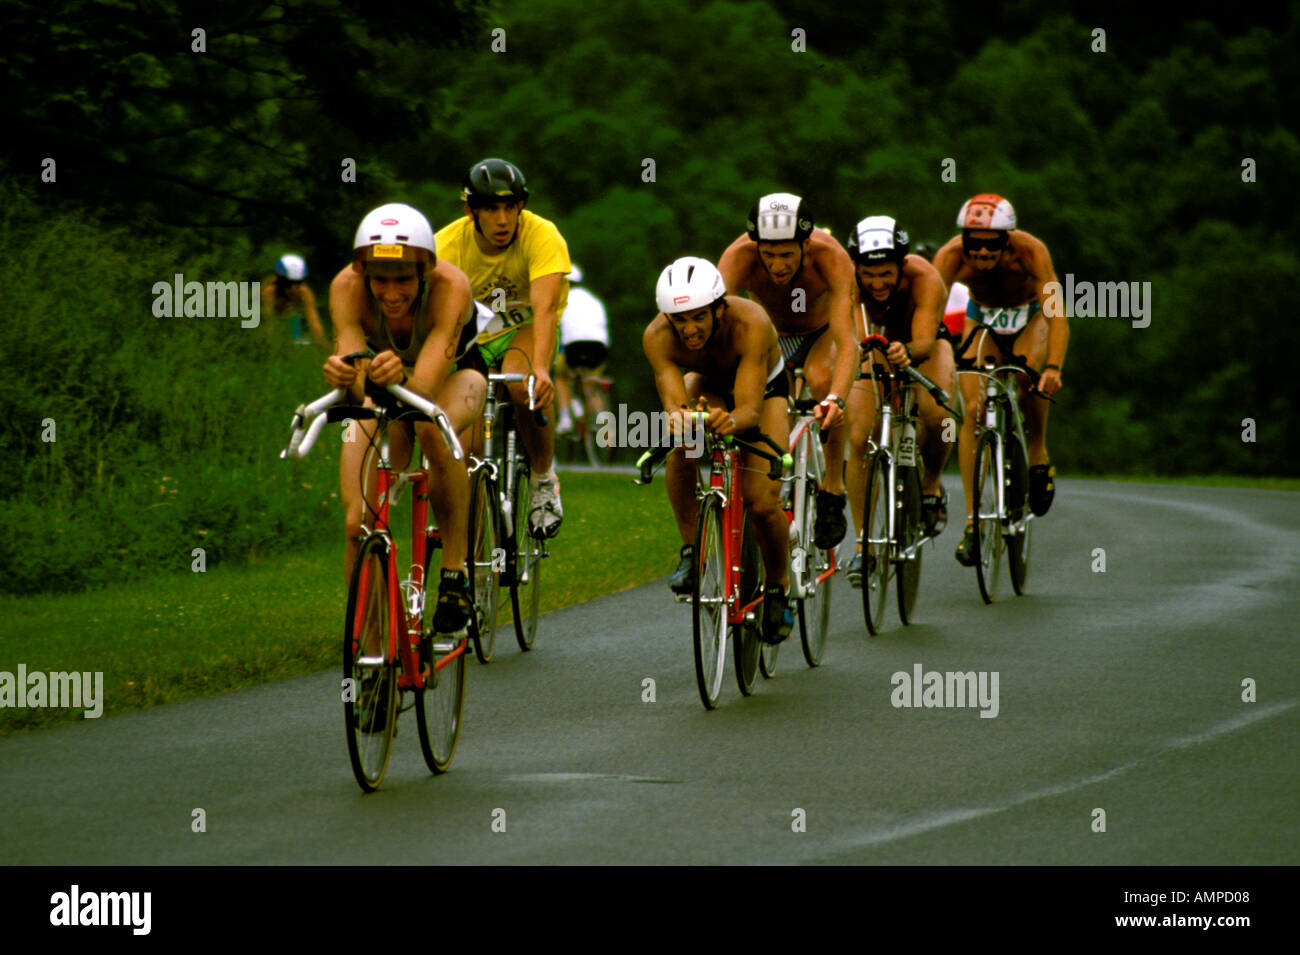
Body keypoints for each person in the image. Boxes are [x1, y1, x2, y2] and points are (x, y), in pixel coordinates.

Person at [323, 203, 487, 632]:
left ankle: (455, 571)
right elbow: (357, 388)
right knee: (356, 521)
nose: (391, 293)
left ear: (425, 274)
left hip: (456, 377)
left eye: (403, 280)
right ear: (363, 273)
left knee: (431, 426)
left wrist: (393, 375)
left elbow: (424, 390)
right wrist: (343, 376)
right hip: (385, 388)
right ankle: (377, 652)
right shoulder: (345, 287)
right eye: (380, 280)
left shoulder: (452, 287)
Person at [643, 256, 793, 644]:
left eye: (699, 317)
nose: (689, 330)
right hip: (708, 383)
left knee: (761, 503)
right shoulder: (656, 337)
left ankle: (778, 587)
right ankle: (693, 552)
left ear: (719, 308)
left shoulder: (751, 324)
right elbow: (675, 405)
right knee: (683, 445)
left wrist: (731, 420)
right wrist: (682, 421)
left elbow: (749, 410)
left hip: (765, 390)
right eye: (680, 320)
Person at [435, 158, 571, 539]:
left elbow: (544, 309)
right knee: (467, 449)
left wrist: (542, 371)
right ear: (470, 211)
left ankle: (544, 478)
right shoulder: (445, 247)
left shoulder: (543, 236)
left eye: (510, 207)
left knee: (522, 386)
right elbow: (440, 326)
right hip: (473, 339)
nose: (502, 219)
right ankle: (471, 558)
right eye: (491, 209)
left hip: (525, 330)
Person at [718, 193, 858, 552]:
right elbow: (722, 329)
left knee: (824, 381)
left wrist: (836, 399)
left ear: (806, 244)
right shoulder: (736, 258)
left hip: (820, 332)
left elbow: (847, 341)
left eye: (786, 254)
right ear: (756, 245)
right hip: (768, 336)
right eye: (769, 254)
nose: (777, 265)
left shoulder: (831, 257)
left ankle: (833, 487)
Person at [933, 193, 1067, 567]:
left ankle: (1037, 452)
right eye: (974, 245)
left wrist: (1053, 366)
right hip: (985, 317)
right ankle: (974, 523)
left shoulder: (1031, 251)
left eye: (992, 246)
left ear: (1007, 241)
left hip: (1030, 315)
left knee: (1028, 376)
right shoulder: (949, 255)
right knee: (973, 409)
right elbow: (927, 306)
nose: (982, 254)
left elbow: (1056, 313)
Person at [843, 216, 956, 585]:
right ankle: (863, 547)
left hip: (921, 342)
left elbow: (924, 339)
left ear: (902, 265)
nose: (877, 283)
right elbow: (853, 336)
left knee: (939, 416)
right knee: (861, 436)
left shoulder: (925, 277)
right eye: (869, 274)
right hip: (876, 342)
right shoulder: (845, 281)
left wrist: (907, 351)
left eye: (886, 273)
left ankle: (931, 485)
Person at [554, 263, 610, 436]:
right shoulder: (593, 299)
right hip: (599, 346)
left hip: (574, 346)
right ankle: (604, 423)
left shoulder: (560, 300)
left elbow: (557, 329)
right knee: (591, 381)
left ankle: (565, 417)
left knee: (560, 376)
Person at [263, 253, 327, 347]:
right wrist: (271, 345)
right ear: (279, 280)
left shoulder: (304, 291)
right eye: (288, 283)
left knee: (294, 319)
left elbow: (314, 320)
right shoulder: (269, 292)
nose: (293, 288)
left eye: (298, 283)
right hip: (272, 323)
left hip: (291, 321)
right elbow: (268, 322)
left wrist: (322, 343)